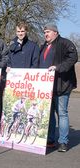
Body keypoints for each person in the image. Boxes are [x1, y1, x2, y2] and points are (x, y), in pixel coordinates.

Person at [38, 23, 78, 152]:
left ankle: (63, 142)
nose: (45, 34)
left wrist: (58, 67)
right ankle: (50, 140)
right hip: (47, 87)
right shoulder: (43, 46)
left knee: (62, 113)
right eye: (44, 32)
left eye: (48, 32)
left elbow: (73, 57)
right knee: (49, 114)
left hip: (62, 85)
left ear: (55, 32)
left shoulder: (65, 43)